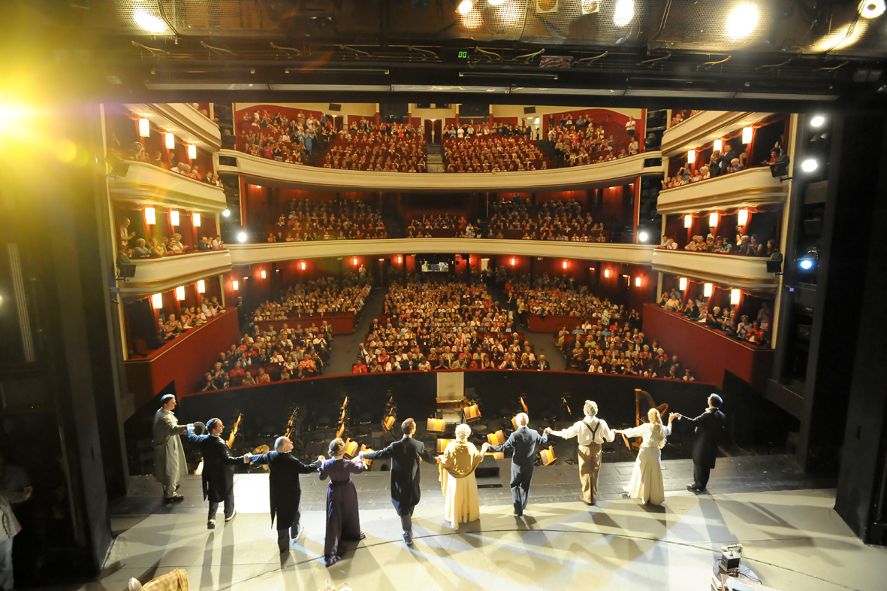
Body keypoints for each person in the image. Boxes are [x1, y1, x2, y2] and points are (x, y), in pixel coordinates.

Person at [359, 418, 438, 546]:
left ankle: (407, 530)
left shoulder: (395, 446)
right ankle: (407, 528)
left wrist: (364, 455)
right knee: (409, 503)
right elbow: (428, 458)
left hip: (399, 481)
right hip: (412, 480)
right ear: (413, 430)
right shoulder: (418, 444)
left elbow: (379, 454)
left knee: (403, 506)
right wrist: (437, 460)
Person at [250, 436, 323, 552]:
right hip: (292, 494)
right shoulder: (291, 460)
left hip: (277, 494)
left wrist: (249, 457)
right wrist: (319, 462)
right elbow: (306, 469)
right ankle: (295, 532)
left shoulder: (270, 455)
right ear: (284, 447)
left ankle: (283, 547)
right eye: (289, 442)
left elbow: (258, 458)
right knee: (295, 513)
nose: (292, 442)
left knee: (282, 520)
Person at [545, 400, 614, 505]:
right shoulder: (602, 423)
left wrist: (552, 431)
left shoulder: (580, 424)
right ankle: (593, 496)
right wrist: (612, 433)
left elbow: (566, 434)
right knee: (595, 472)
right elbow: (609, 438)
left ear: (585, 411)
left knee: (585, 472)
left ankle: (588, 497)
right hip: (597, 449)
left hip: (584, 449)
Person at [187, 418, 250, 529]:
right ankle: (228, 513)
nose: (223, 427)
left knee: (213, 494)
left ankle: (211, 518)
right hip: (223, 473)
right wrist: (244, 459)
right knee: (228, 492)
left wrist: (190, 428)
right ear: (215, 429)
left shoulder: (203, 439)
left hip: (209, 471)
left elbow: (192, 437)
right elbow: (228, 460)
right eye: (220, 426)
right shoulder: (220, 443)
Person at [488, 413, 549, 517]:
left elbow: (503, 448)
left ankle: (518, 509)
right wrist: (545, 433)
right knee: (525, 486)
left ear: (516, 422)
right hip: (529, 465)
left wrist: (490, 447)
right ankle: (523, 505)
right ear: (527, 422)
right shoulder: (534, 433)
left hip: (517, 465)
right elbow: (543, 440)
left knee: (514, 485)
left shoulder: (515, 435)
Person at [319, 438, 367, 567]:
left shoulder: (327, 464)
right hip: (347, 490)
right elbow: (359, 469)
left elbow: (322, 477)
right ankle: (352, 533)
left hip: (334, 491)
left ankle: (333, 546)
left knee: (334, 517)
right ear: (343, 450)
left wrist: (322, 463)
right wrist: (360, 461)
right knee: (350, 512)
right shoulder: (348, 464)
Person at [614, 409, 677, 506]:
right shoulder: (662, 428)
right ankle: (653, 496)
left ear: (649, 417)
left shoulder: (646, 427)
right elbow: (669, 431)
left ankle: (643, 494)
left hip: (645, 452)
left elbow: (632, 431)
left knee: (642, 473)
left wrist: (617, 430)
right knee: (655, 474)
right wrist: (670, 420)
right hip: (655, 453)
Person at [438, 424, 487, 528]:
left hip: (455, 479)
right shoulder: (471, 447)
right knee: (467, 496)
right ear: (468, 435)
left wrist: (440, 459)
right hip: (468, 478)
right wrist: (483, 449)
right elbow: (478, 458)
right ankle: (468, 515)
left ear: (456, 433)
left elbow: (446, 462)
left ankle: (456, 518)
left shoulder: (451, 446)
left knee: (456, 497)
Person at [676, 393, 726, 492]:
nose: (707, 398)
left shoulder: (708, 414)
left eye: (709, 398)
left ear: (711, 402)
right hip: (712, 443)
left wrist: (680, 417)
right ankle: (702, 485)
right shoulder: (722, 415)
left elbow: (693, 422)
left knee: (699, 463)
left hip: (703, 443)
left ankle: (697, 484)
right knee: (706, 465)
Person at [0, 454, 33, 591]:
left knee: (5, 561)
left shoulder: (14, 473)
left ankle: (7, 588)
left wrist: (24, 495)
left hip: (4, 524)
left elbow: (20, 493)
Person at [152, 394, 192, 503]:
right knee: (171, 468)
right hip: (167, 445)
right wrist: (189, 427)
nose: (175, 403)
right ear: (165, 404)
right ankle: (170, 494)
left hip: (167, 442)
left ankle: (170, 487)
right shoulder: (164, 417)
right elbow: (173, 429)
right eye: (173, 401)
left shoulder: (161, 412)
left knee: (168, 468)